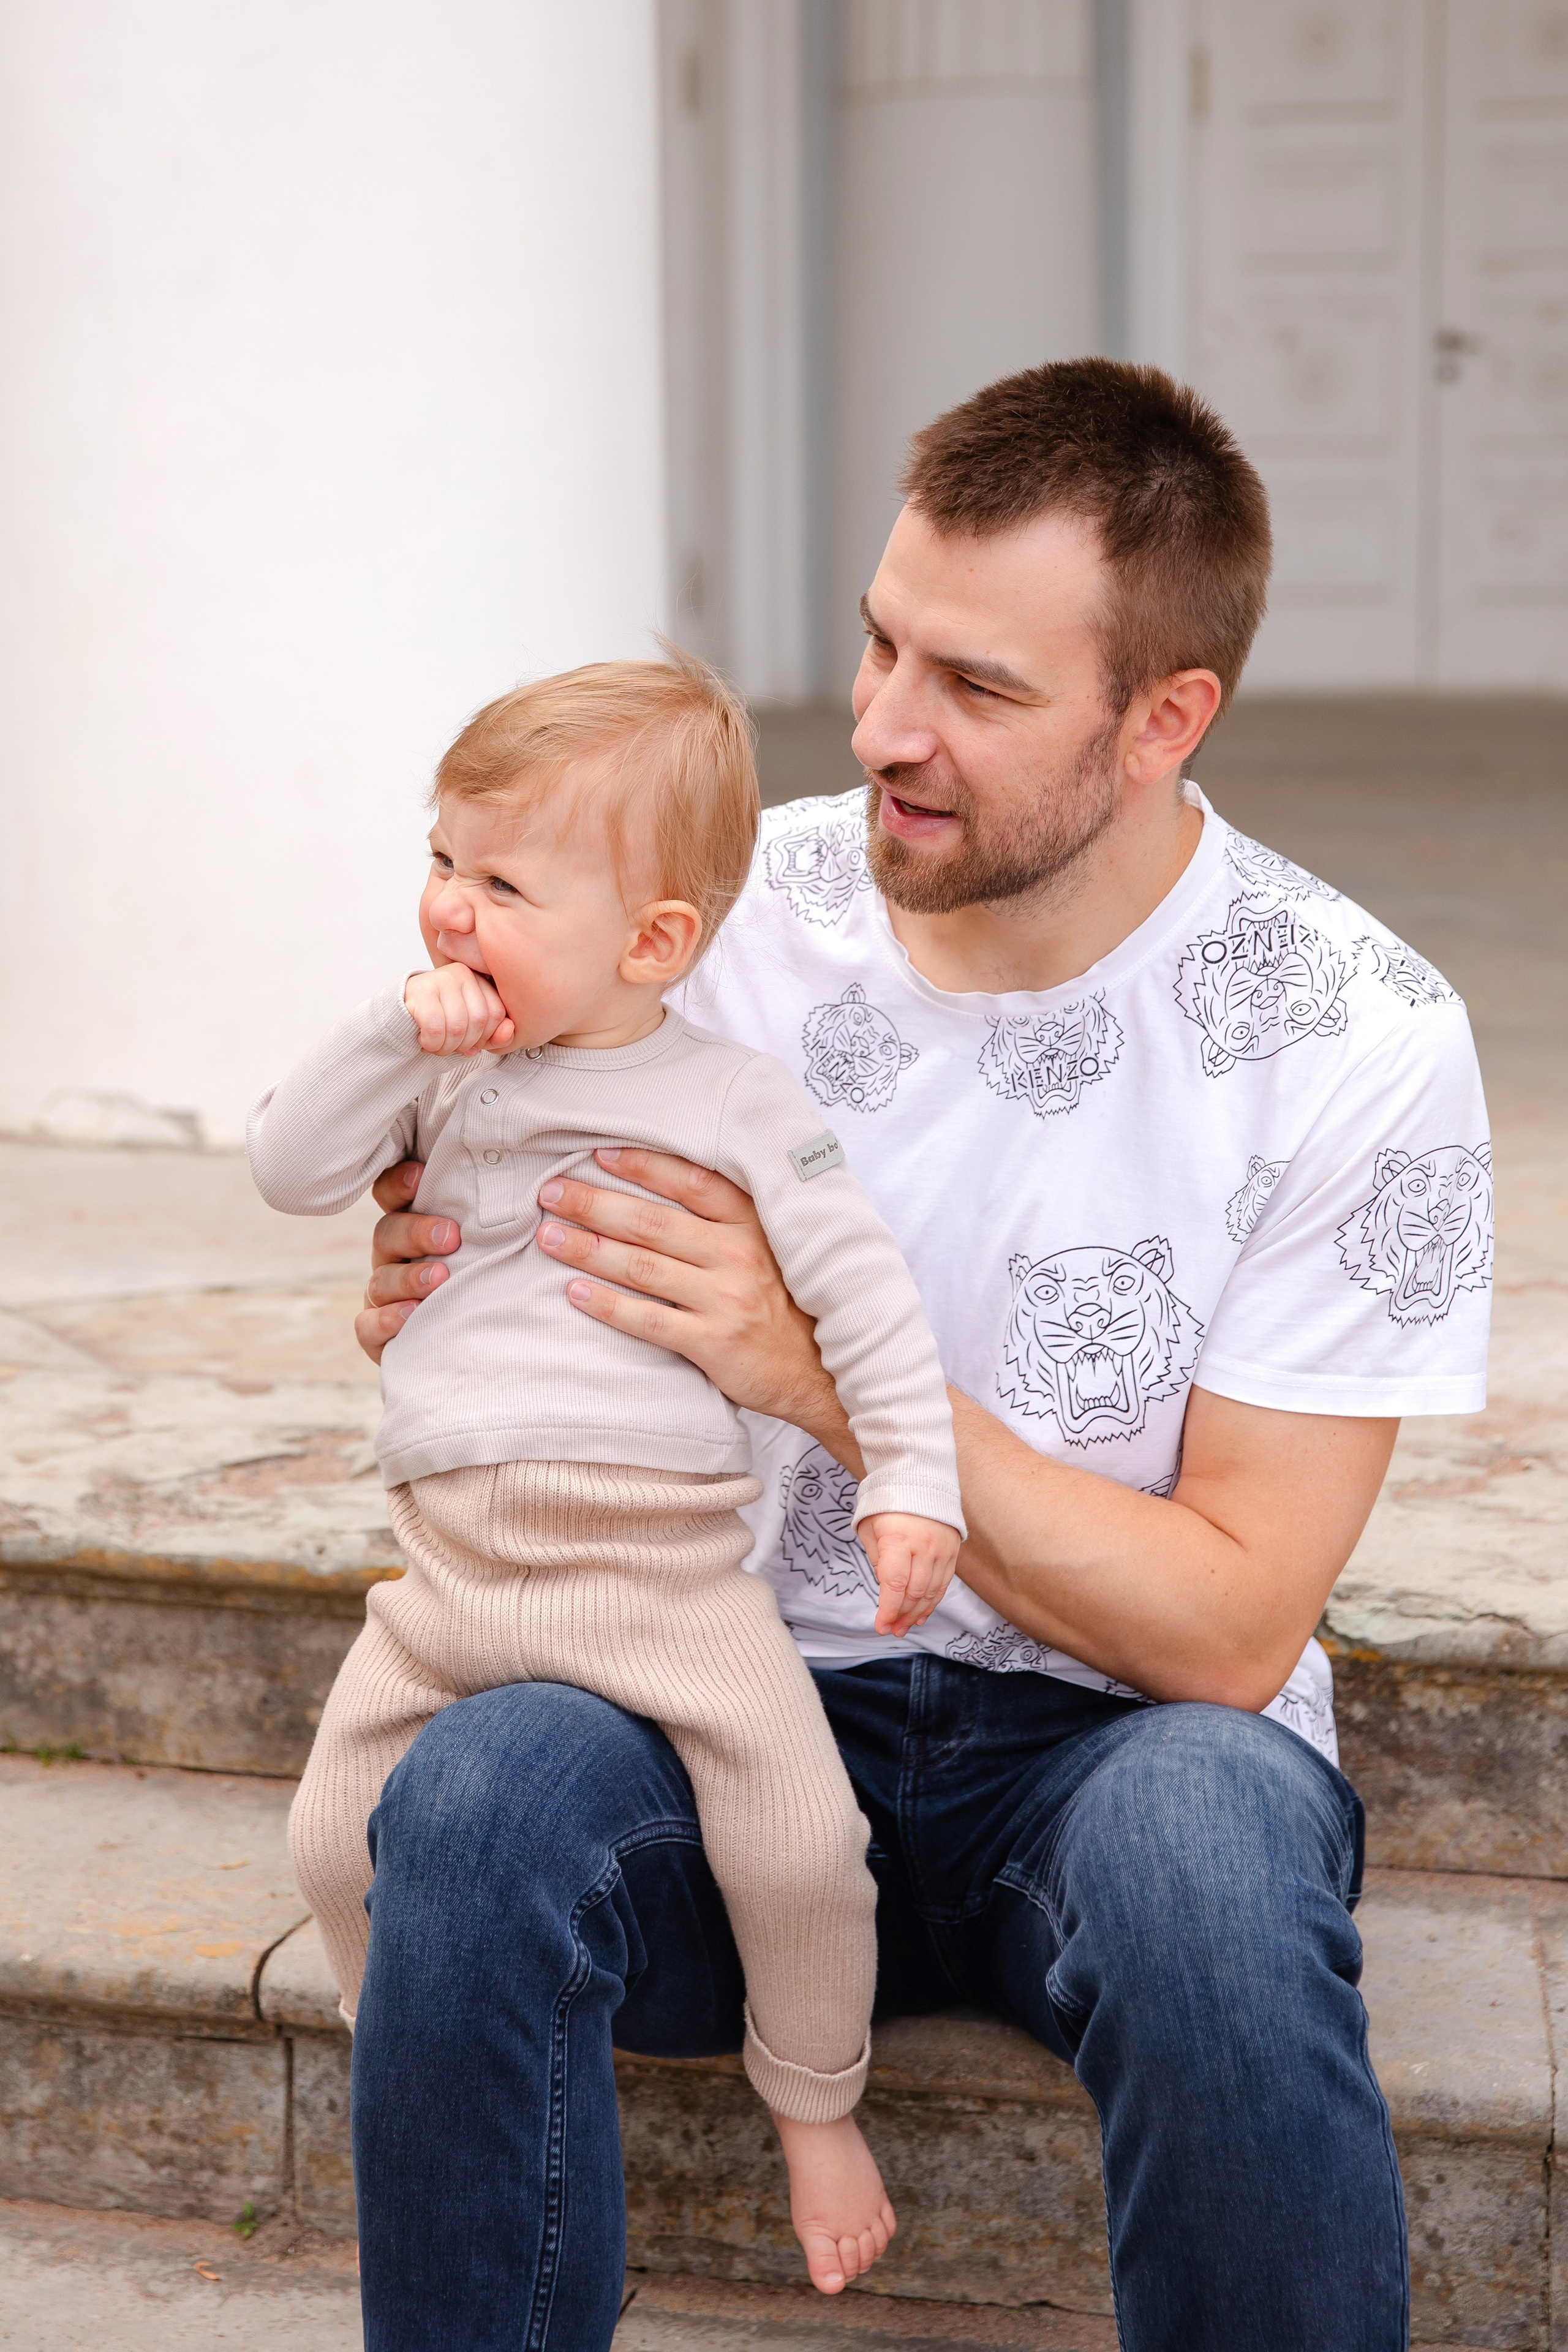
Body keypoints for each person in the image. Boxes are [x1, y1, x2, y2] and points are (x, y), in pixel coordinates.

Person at [347, 362, 1491, 2352]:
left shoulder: (1354, 1039)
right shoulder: (709, 919)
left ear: (1165, 719)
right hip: (720, 1690)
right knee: (479, 1801)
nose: (882, 724)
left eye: (974, 684)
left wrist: (816, 1376)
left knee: (1214, 1856)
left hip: (1112, 1755)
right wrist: (434, 1267)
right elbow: (456, 1204)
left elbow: (1230, 1632)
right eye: (883, 643)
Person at [247, 658, 966, 2291]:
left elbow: (864, 1295)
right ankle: (411, 2068)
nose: (452, 908)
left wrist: (912, 1481)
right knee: (331, 1838)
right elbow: (289, 1165)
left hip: (661, 1582)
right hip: (448, 1582)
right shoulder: (441, 1078)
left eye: (503, 886)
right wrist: (391, 1028)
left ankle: (816, 2107)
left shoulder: (734, 1100)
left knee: (801, 1844)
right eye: (443, 860)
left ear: (651, 942)